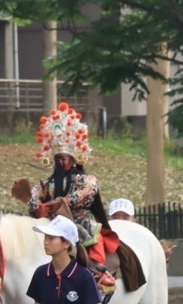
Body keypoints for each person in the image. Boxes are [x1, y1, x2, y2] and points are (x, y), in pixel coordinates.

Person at [14, 102, 115, 285]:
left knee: (88, 237)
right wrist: (34, 204)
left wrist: (62, 202)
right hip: (52, 222)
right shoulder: (46, 184)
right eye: (57, 159)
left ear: (74, 160)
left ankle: (96, 271)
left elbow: (85, 192)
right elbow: (35, 199)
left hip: (79, 220)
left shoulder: (86, 180)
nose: (60, 163)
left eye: (64, 159)